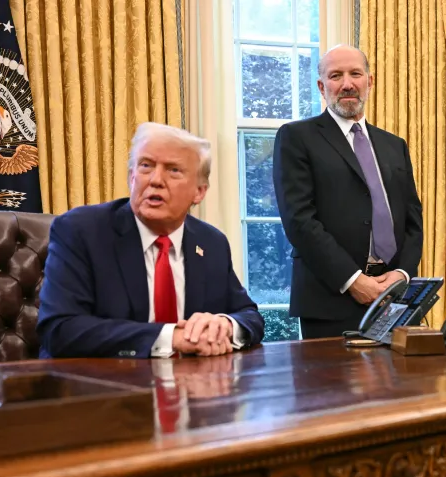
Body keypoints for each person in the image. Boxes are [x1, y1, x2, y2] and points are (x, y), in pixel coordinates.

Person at [37, 122, 264, 359]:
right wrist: (172, 337)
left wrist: (224, 326)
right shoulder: (81, 231)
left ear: (199, 192)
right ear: (132, 176)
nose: (155, 180)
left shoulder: (211, 242)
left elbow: (249, 316)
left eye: (173, 170)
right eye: (146, 166)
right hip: (99, 386)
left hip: (193, 387)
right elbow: (60, 330)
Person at [272, 44, 423, 339]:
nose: (347, 84)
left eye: (355, 74)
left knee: (402, 385)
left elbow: (412, 219)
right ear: (321, 85)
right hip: (330, 300)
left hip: (394, 300)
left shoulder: (395, 145)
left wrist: (403, 274)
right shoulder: (296, 137)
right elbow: (299, 221)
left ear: (370, 81)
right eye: (336, 76)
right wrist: (353, 280)